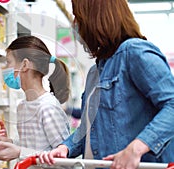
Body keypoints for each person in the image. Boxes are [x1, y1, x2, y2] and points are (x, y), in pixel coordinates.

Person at [39, 0, 174, 169]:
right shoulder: (95, 72)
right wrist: (66, 147)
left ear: (95, 18)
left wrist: (137, 147)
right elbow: (89, 128)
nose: (75, 25)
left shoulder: (134, 52)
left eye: (77, 18)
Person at [0, 35, 71, 162]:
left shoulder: (48, 108)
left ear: (24, 65)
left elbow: (62, 157)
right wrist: (10, 142)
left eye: (8, 62)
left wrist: (19, 152)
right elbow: (35, 146)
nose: (5, 68)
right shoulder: (23, 106)